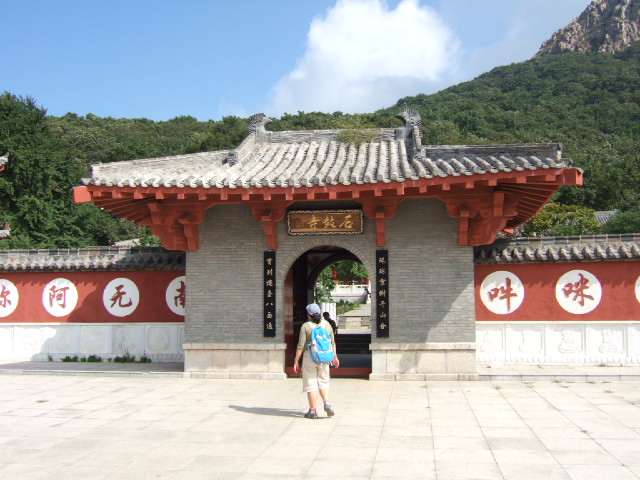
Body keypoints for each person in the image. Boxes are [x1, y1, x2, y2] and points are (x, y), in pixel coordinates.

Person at [293, 303, 340, 419]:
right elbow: (332, 343)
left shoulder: (305, 326)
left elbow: (300, 346)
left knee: (311, 383)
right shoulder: (327, 325)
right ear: (320, 313)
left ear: (309, 315)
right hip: (325, 357)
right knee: (324, 381)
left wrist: (296, 361)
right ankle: (327, 403)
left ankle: (313, 411)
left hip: (310, 356)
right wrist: (335, 357)